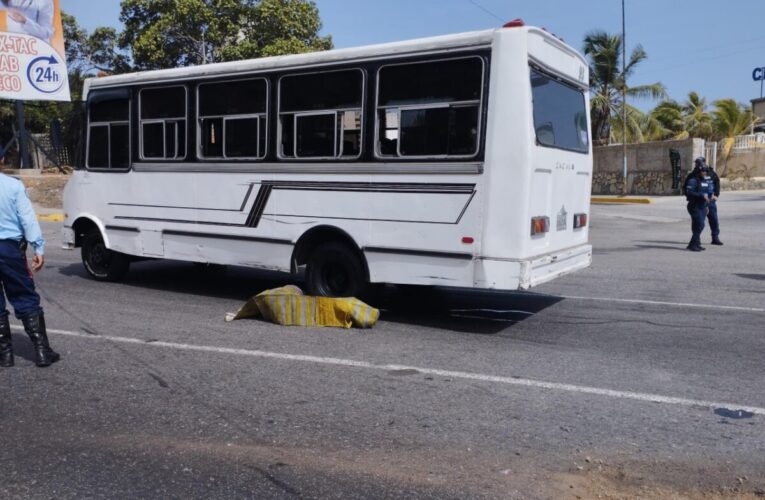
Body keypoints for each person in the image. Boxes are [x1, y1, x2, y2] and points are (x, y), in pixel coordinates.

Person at [0, 172, 59, 367]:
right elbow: (27, 219)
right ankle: (42, 351)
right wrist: (38, 247)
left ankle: (5, 355)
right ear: (2, 160)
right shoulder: (13, 186)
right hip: (9, 249)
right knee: (24, 296)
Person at [684, 161, 711, 252]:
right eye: (703, 171)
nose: (705, 173)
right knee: (700, 224)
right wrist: (701, 195)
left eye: (706, 171)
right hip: (694, 205)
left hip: (702, 206)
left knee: (697, 226)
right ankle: (693, 244)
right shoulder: (692, 181)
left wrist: (707, 205)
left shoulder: (705, 181)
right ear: (698, 171)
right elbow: (689, 192)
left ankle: (696, 243)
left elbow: (707, 193)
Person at [705, 161, 723, 245]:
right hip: (699, 202)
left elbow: (717, 183)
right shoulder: (694, 174)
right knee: (699, 222)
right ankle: (695, 240)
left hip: (710, 200)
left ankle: (715, 237)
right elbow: (687, 187)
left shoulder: (711, 173)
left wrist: (716, 195)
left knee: (714, 220)